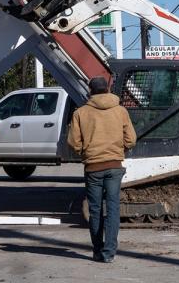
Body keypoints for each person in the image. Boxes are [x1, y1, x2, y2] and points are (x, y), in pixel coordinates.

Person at [67, 76, 137, 263]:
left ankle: (97, 251)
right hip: (115, 167)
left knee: (95, 210)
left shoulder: (80, 113)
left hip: (93, 168)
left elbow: (73, 142)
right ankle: (109, 253)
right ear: (107, 89)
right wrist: (119, 148)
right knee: (113, 209)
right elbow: (131, 139)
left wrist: (84, 151)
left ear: (90, 91)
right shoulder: (120, 111)